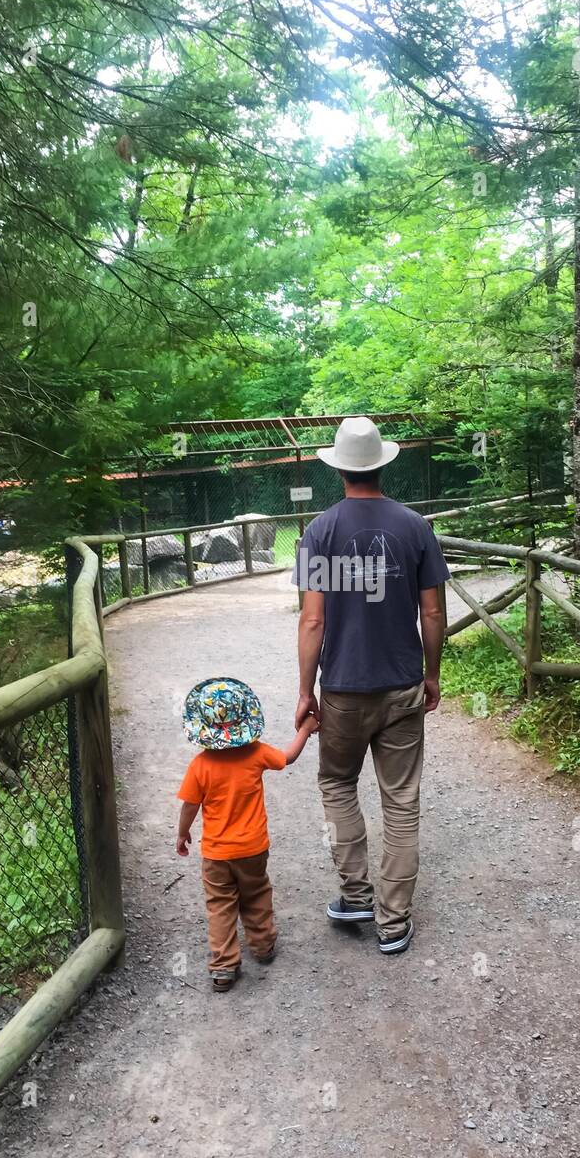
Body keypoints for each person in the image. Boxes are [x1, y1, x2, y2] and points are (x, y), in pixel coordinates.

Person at [293, 416, 449, 955]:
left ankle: (356, 894)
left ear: (339, 469)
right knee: (401, 801)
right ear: (382, 463)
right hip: (402, 684)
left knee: (337, 783)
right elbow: (433, 613)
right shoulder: (415, 527)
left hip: (342, 687)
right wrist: (431, 675)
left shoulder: (320, 531)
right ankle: (393, 920)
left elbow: (313, 621)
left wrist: (305, 690)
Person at [176, 676, 318, 992]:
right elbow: (288, 757)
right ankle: (263, 945)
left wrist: (182, 834)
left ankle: (224, 967)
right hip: (253, 848)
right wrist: (306, 730)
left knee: (220, 905)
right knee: (255, 894)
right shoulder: (256, 753)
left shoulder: (200, 766)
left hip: (216, 854)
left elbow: (189, 806)